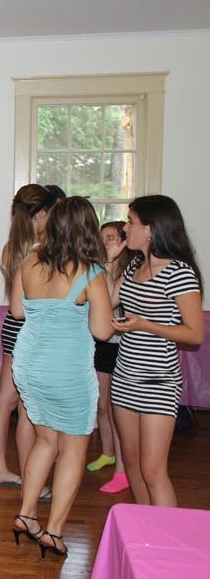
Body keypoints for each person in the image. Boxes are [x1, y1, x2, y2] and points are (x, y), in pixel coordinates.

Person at [10, 197, 113, 559]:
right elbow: (102, 332)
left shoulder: (28, 261)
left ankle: (26, 514)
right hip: (67, 369)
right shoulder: (91, 272)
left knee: (44, 441)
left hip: (29, 365)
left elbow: (17, 311)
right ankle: (52, 531)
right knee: (73, 448)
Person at [111, 195, 204, 507]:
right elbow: (110, 301)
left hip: (158, 381)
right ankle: (144, 531)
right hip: (124, 377)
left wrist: (145, 325)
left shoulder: (179, 273)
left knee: (153, 470)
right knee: (132, 461)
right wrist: (111, 261)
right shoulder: (135, 264)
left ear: (150, 229)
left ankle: (169, 542)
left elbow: (194, 334)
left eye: (132, 222)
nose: (126, 228)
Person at [0, 184, 53, 491]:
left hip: (14, 328)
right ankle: (32, 479)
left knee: (4, 403)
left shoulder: (10, 247)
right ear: (40, 213)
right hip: (32, 328)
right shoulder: (42, 250)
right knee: (27, 408)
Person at [88, 221, 134, 494]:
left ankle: (122, 470)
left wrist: (108, 264)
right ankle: (108, 452)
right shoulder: (100, 268)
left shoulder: (128, 270)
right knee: (103, 404)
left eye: (112, 237)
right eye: (103, 237)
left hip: (121, 344)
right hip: (102, 342)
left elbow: (110, 300)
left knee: (117, 408)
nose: (107, 242)